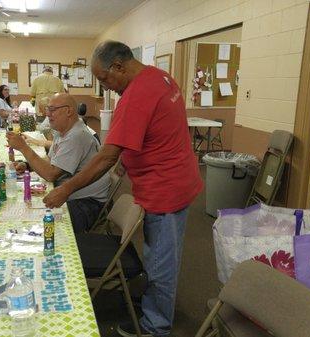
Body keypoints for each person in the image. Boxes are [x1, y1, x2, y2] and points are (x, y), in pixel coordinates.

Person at [43, 40, 203, 337]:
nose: (106, 87)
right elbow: (155, 133)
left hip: (166, 189)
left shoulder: (136, 96)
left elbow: (105, 157)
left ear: (119, 65)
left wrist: (65, 190)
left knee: (162, 263)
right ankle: (154, 308)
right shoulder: (160, 77)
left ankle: (156, 328)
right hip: (177, 178)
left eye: (104, 78)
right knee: (158, 256)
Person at [7, 93, 110, 233]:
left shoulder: (76, 135)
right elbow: (50, 161)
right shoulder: (62, 132)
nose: (47, 114)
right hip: (75, 195)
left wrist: (24, 148)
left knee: (44, 226)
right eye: (47, 109)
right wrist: (27, 165)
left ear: (68, 111)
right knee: (30, 211)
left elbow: (51, 174)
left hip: (88, 202)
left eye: (52, 109)